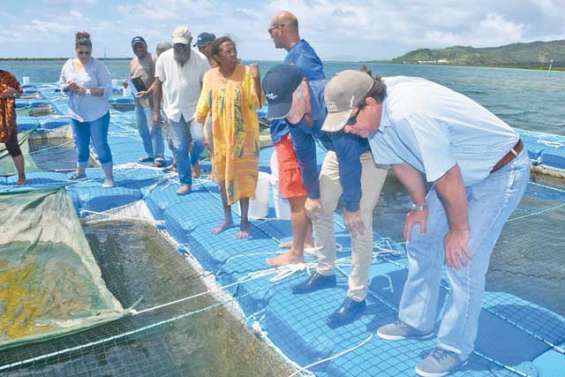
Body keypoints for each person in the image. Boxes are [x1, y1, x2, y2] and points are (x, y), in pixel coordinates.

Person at [323, 70, 530, 377]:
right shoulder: (375, 119)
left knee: (462, 259)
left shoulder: (410, 112)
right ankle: (416, 321)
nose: (348, 130)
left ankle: (453, 348)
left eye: (350, 121)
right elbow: (401, 162)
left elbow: (448, 176)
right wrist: (420, 206)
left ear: (369, 103)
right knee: (421, 236)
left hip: (499, 171)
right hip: (460, 172)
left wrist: (459, 231)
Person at [263, 64, 388, 327]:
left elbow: (350, 160)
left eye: (288, 106)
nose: (286, 115)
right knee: (317, 208)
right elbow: (305, 153)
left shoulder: (332, 101)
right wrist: (314, 195)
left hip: (369, 152)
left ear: (302, 89)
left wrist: (352, 206)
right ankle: (325, 270)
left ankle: (357, 296)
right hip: (338, 151)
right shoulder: (293, 115)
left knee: (359, 221)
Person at [266, 10, 320, 265]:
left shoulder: (303, 58)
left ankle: (297, 253)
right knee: (297, 191)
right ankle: (306, 239)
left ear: (282, 28)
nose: (270, 35)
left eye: (271, 30)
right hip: (287, 134)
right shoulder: (296, 55)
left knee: (296, 194)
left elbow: (316, 96)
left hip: (291, 136)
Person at [196, 36, 262, 239]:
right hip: (220, 138)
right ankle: (227, 218)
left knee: (243, 178)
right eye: (227, 51)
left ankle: (244, 220)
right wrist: (201, 135)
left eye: (234, 50)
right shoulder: (209, 76)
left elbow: (257, 102)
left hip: (245, 138)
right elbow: (204, 107)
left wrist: (258, 79)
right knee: (222, 180)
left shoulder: (247, 73)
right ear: (216, 56)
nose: (233, 54)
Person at [153, 26, 209, 195]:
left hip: (195, 110)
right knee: (180, 147)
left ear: (190, 43)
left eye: (183, 45)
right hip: (173, 111)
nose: (180, 48)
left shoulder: (201, 59)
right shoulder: (163, 58)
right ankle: (186, 182)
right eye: (177, 45)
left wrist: (208, 112)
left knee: (200, 142)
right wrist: (155, 111)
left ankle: (193, 161)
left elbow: (207, 87)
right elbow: (157, 85)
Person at [59, 31, 114, 188]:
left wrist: (87, 91)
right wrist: (68, 87)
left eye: (87, 53)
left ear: (91, 51)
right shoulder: (68, 64)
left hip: (98, 113)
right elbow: (61, 84)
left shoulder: (98, 66)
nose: (84, 55)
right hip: (77, 114)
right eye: (80, 52)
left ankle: (109, 177)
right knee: (80, 143)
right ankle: (81, 172)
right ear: (75, 50)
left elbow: (108, 89)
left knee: (100, 144)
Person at [128, 36, 165, 166]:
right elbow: (131, 77)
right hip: (138, 103)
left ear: (146, 45)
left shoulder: (154, 59)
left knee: (154, 129)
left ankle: (159, 156)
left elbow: (158, 79)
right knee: (142, 130)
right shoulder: (133, 61)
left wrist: (148, 91)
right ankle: (150, 154)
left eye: (141, 45)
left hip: (151, 101)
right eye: (136, 47)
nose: (139, 48)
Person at [0, 70, 25, 185]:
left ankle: (22, 176)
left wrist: (13, 91)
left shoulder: (7, 76)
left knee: (13, 147)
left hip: (7, 119)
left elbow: (20, 93)